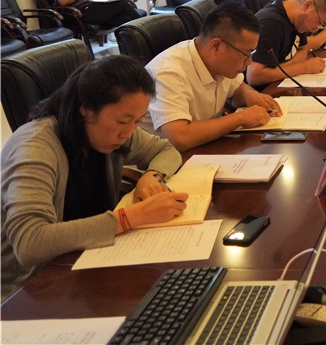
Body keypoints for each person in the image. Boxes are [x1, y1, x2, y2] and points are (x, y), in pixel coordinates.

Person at [1, 56, 188, 298]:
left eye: (138, 121)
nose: (128, 133)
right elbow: (30, 242)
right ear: (86, 109)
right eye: (123, 121)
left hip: (88, 260)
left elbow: (166, 150)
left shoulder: (111, 130)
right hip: (28, 291)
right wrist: (130, 217)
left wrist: (152, 176)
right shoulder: (35, 147)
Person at [144, 1, 282, 152]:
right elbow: (179, 138)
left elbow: (237, 88)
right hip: (163, 160)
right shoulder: (169, 72)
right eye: (245, 54)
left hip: (204, 149)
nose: (249, 62)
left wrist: (250, 94)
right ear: (216, 46)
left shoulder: (220, 63)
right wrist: (240, 118)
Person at [247, 0, 326, 89]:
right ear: (307, 6)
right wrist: (302, 67)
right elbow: (254, 76)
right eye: (320, 23)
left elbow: (303, 49)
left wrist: (285, 67)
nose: (317, 28)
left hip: (282, 84)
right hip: (265, 92)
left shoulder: (297, 17)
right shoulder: (270, 23)